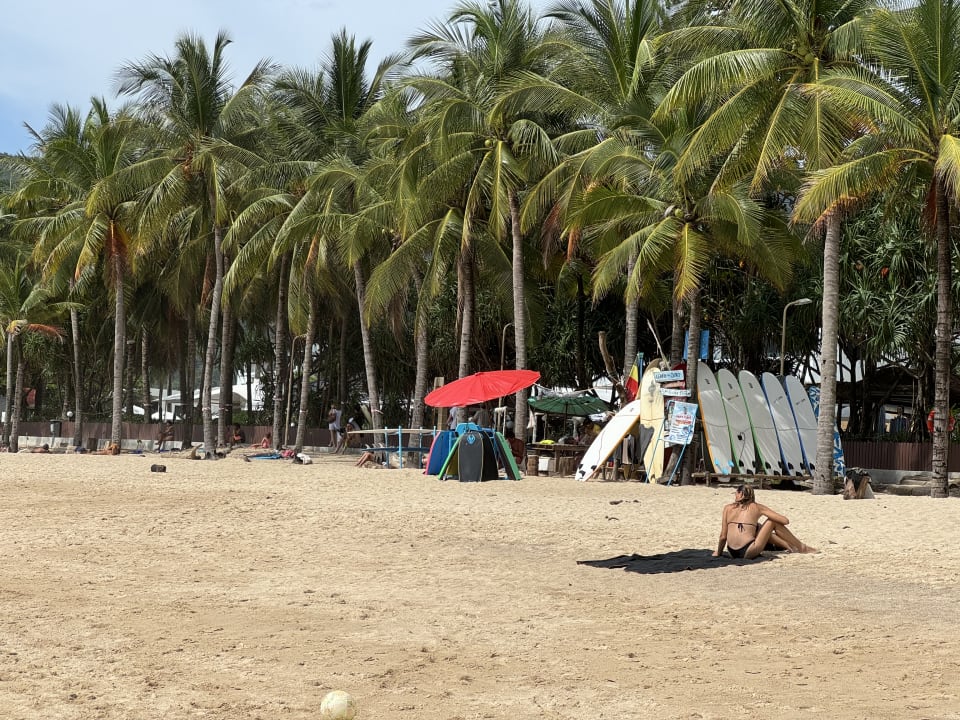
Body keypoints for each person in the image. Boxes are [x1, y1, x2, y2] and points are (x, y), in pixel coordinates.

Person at [713, 484, 817, 559]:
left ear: (741, 494)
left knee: (757, 527)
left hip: (732, 552)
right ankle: (801, 547)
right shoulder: (757, 507)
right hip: (748, 550)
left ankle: (789, 546)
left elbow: (723, 536)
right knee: (772, 521)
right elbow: (785, 521)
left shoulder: (727, 508)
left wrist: (719, 553)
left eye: (736, 493)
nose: (735, 496)